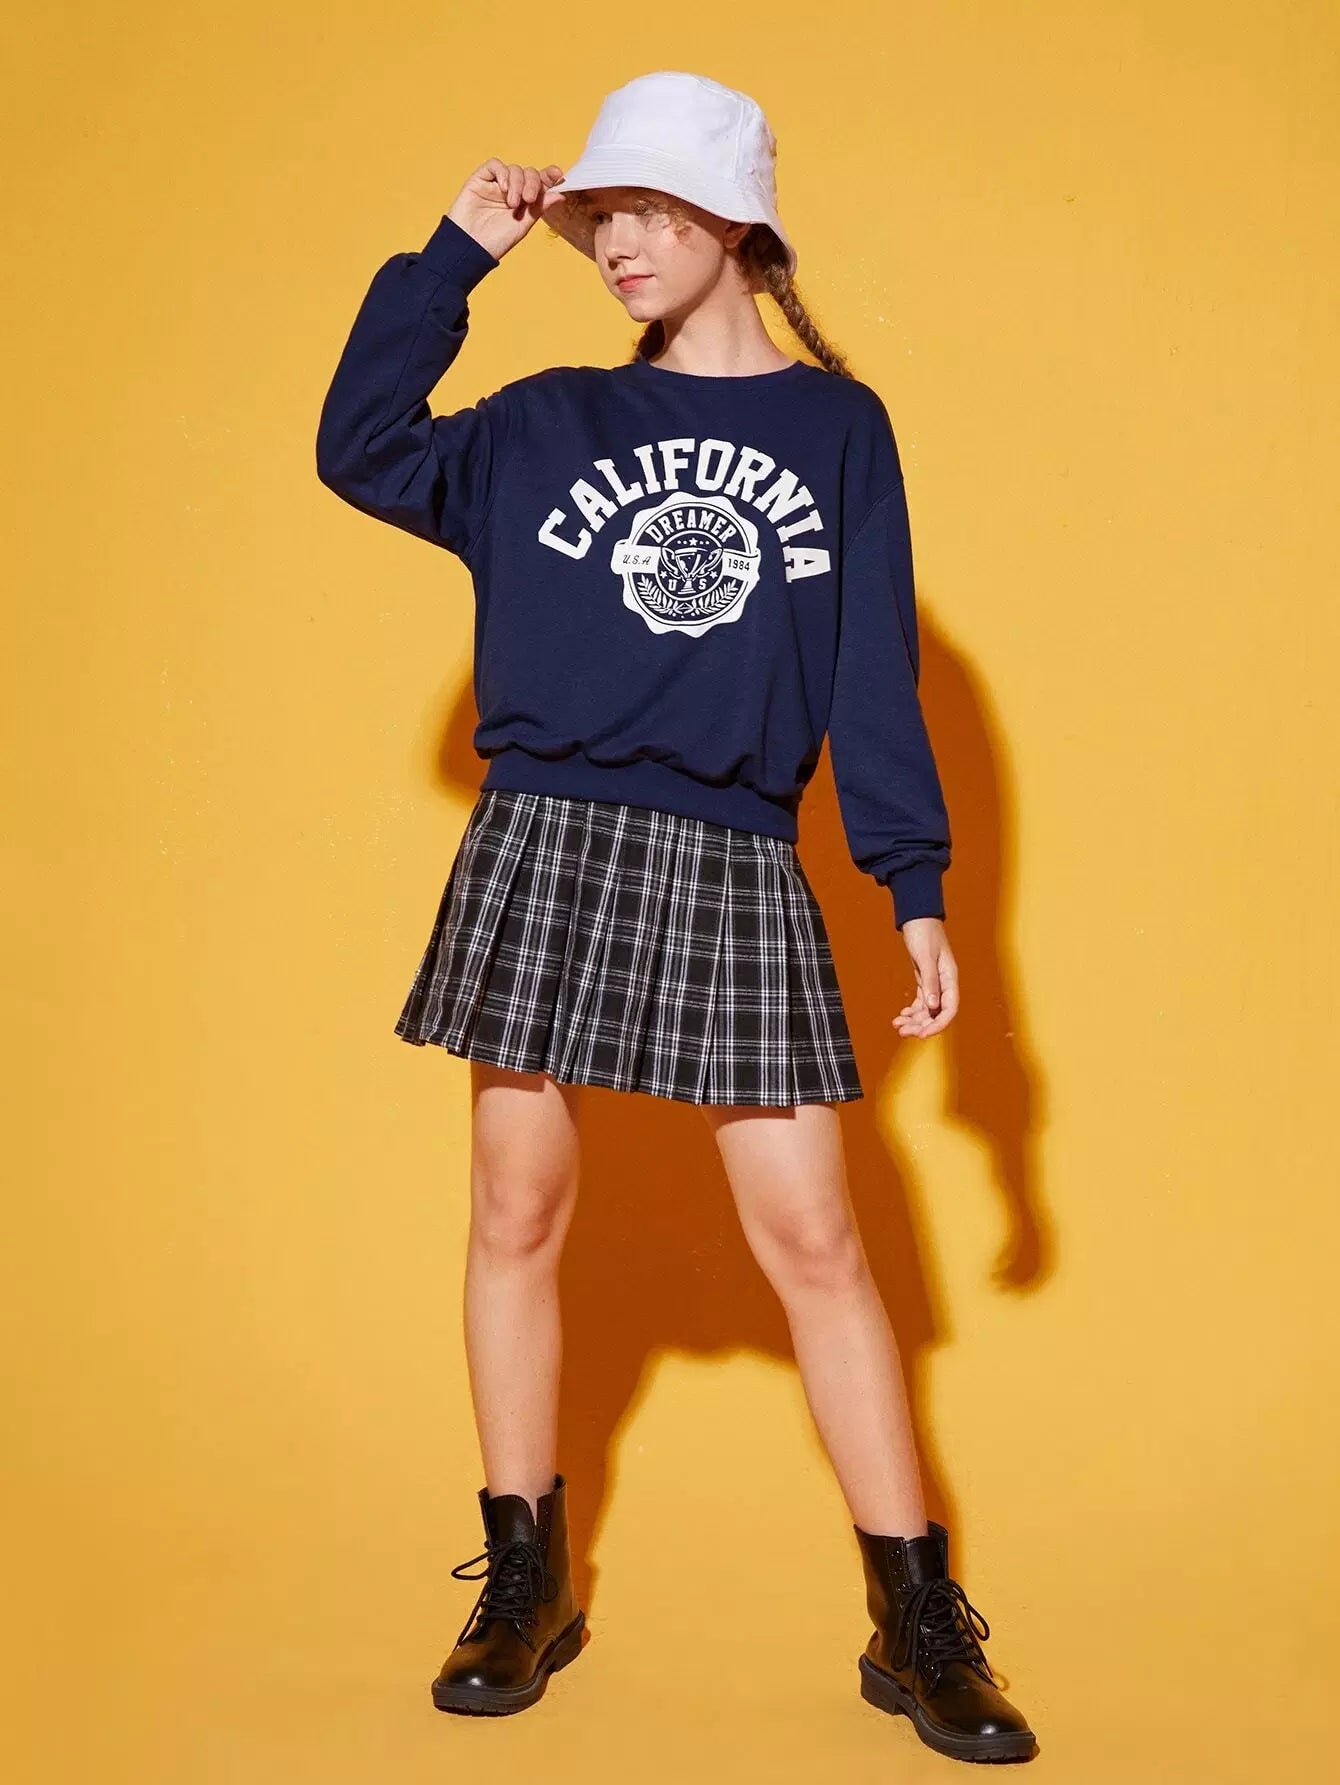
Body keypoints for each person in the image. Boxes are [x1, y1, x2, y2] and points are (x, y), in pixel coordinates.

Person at [315, 69, 1036, 1763]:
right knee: (515, 1208)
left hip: (732, 851)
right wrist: (455, 256)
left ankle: (916, 1612)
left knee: (817, 1239)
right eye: (602, 214)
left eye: (646, 208)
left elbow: (869, 673)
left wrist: (915, 887)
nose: (617, 240)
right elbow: (358, 448)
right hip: (547, 835)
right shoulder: (545, 422)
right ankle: (524, 1578)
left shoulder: (840, 431)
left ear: (733, 223)